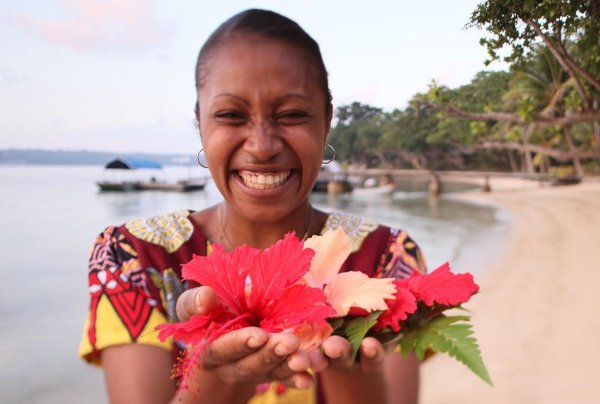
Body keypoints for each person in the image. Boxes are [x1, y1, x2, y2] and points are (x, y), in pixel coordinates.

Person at [79, 9, 426, 404]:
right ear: (200, 123)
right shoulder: (132, 255)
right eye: (231, 115)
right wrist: (220, 380)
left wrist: (351, 371)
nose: (262, 147)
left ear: (326, 121)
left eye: (293, 115)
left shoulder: (387, 258)